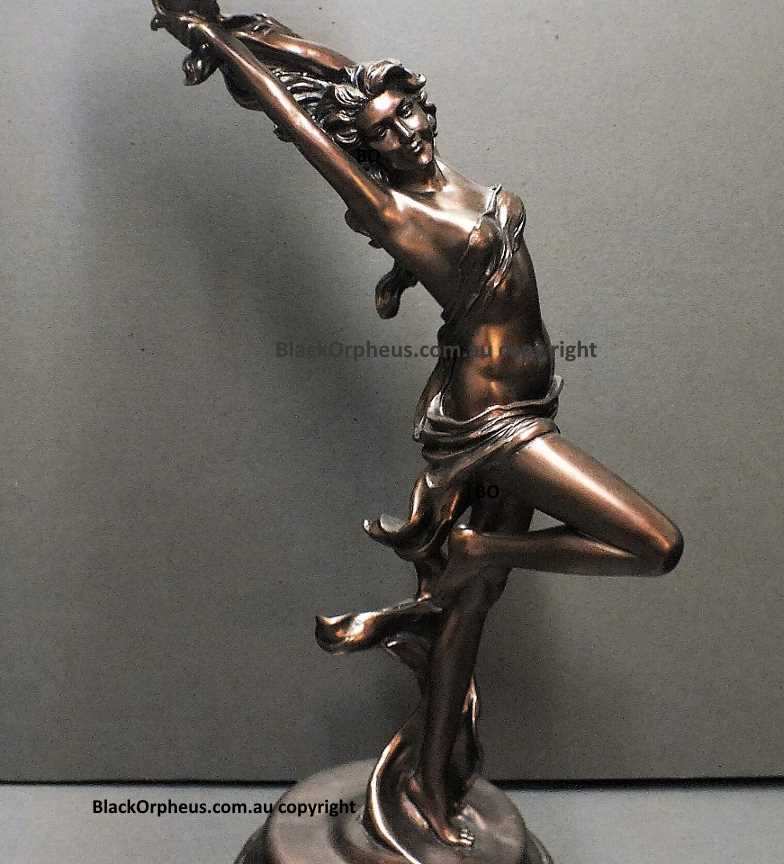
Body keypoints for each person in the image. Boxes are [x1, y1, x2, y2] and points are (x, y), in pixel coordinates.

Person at [153, 2, 684, 848]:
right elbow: (301, 123)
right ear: (369, 153)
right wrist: (215, 42)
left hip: (531, 403)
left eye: (406, 113)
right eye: (384, 133)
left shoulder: (451, 176)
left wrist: (281, 43)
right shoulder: (392, 212)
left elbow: (337, 83)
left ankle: (433, 789)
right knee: (654, 544)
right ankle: (483, 547)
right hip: (494, 426)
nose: (404, 134)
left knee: (466, 618)